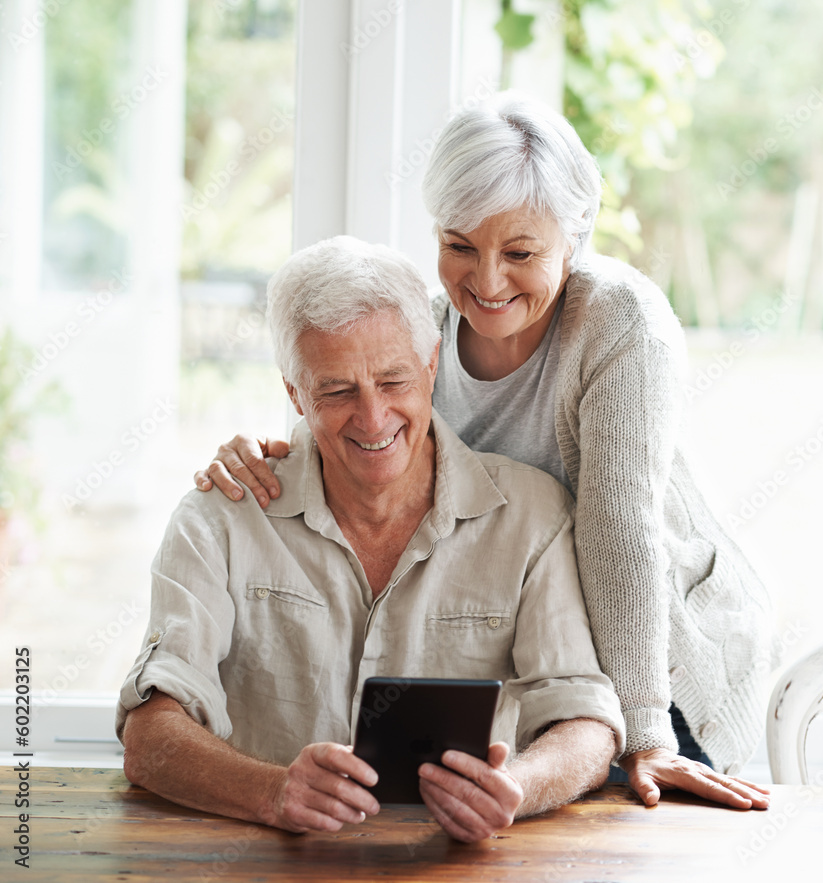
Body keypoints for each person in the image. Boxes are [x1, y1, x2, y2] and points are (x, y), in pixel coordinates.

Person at [195, 92, 775, 810]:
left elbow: (619, 527)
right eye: (459, 245)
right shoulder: (430, 332)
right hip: (561, 663)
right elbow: (361, 424)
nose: (487, 281)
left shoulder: (622, 322)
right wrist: (264, 452)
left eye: (521, 252)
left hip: (661, 657)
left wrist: (648, 733)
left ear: (576, 234)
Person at [117, 236, 625, 843]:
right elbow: (149, 734)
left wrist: (517, 787)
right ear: (294, 393)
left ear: (432, 364)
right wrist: (271, 792)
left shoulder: (533, 516)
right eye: (335, 390)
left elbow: (586, 721)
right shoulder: (219, 517)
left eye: (392, 380)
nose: (373, 417)